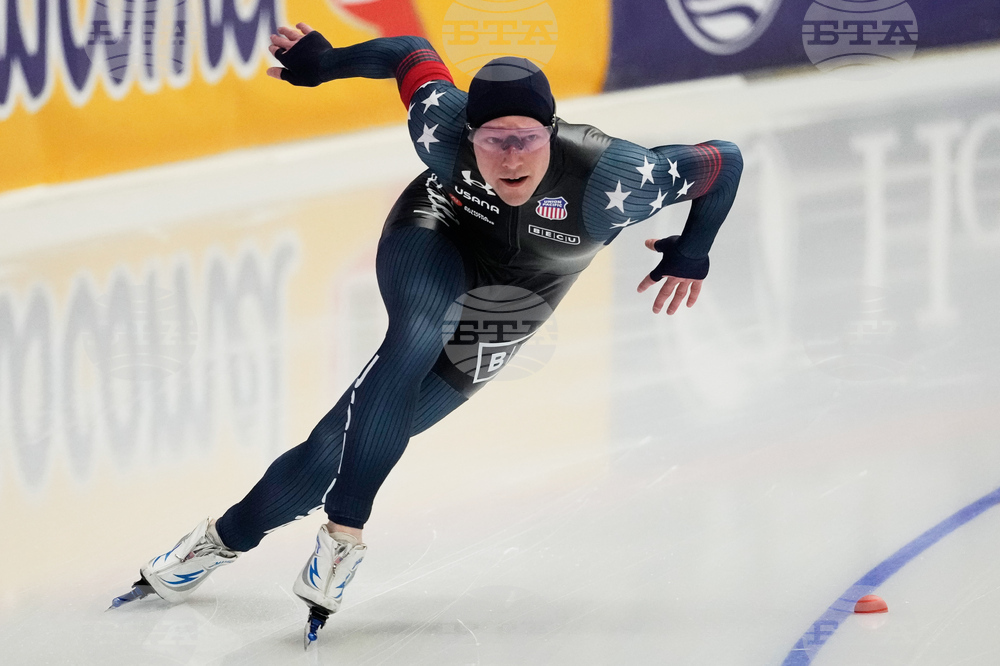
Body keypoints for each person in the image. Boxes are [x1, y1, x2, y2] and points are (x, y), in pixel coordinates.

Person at [112, 23, 744, 645]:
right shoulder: (441, 124)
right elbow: (408, 52)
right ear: (469, 134)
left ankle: (215, 541)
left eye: (526, 139)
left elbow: (724, 162)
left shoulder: (618, 179)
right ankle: (339, 537)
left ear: (551, 132)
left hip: (521, 293)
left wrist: (693, 251)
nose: (511, 157)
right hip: (438, 231)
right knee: (416, 334)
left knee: (338, 441)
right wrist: (327, 63)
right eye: (494, 140)